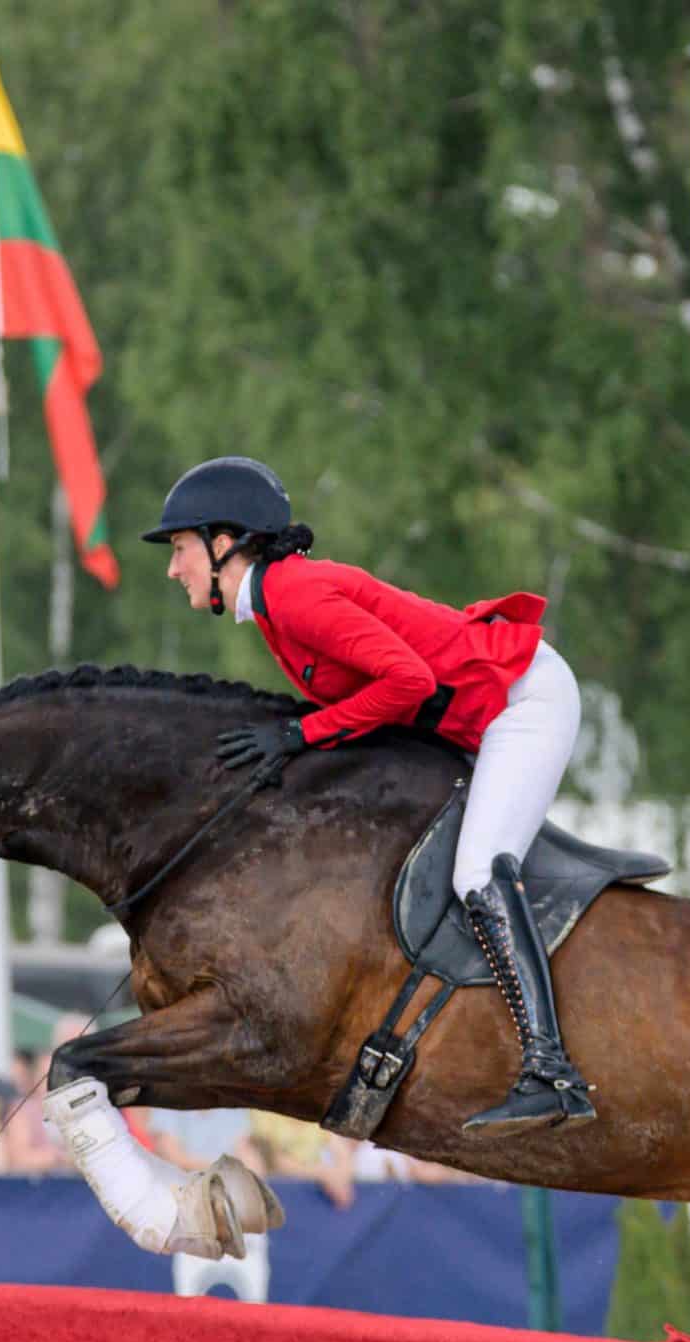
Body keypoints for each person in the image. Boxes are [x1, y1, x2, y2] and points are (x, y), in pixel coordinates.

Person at [144, 454, 590, 1132]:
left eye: (179, 549)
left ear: (224, 542)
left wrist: (299, 734)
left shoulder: (293, 596)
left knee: (477, 873)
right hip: (472, 716)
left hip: (519, 701)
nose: (173, 569)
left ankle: (550, 1070)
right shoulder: (272, 607)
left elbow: (407, 683)